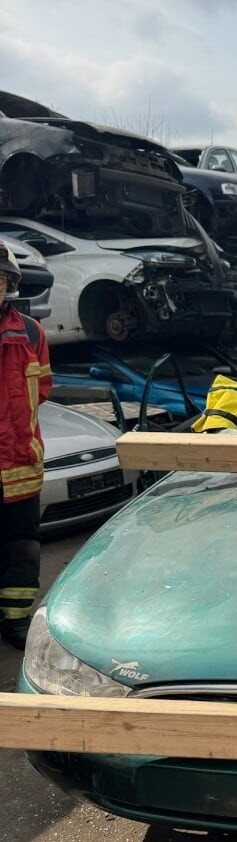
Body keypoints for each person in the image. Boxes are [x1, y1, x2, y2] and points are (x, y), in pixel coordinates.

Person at [0, 242, 52, 648]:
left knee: (22, 549)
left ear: (11, 283)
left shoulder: (32, 333)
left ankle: (16, 621)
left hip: (20, 467)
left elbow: (43, 390)